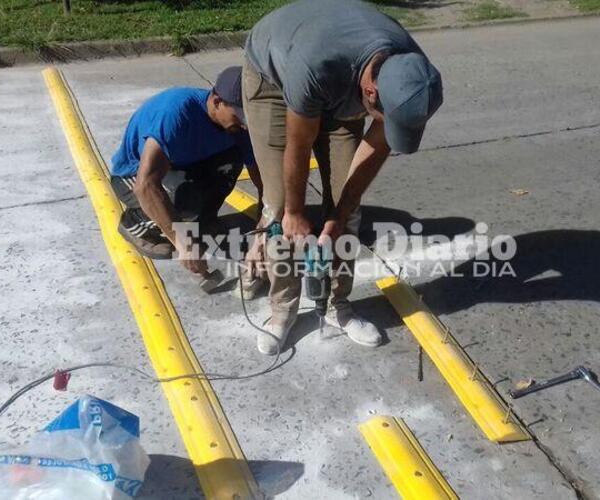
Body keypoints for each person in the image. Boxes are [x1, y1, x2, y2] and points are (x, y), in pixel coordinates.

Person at [242, 0, 443, 355]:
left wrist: (337, 218)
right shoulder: (315, 65)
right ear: (370, 92)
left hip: (341, 76)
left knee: (347, 209)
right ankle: (282, 312)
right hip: (275, 77)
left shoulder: (412, 76)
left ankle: (338, 307)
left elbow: (375, 150)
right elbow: (298, 144)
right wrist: (295, 213)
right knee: (281, 206)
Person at [109, 67, 262, 276]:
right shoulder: (176, 115)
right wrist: (183, 242)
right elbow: (146, 185)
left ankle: (204, 220)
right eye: (240, 116)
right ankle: (134, 223)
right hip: (134, 175)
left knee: (231, 160)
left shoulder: (237, 126)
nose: (244, 125)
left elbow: (262, 176)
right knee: (183, 203)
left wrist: (268, 224)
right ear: (217, 102)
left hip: (183, 165)